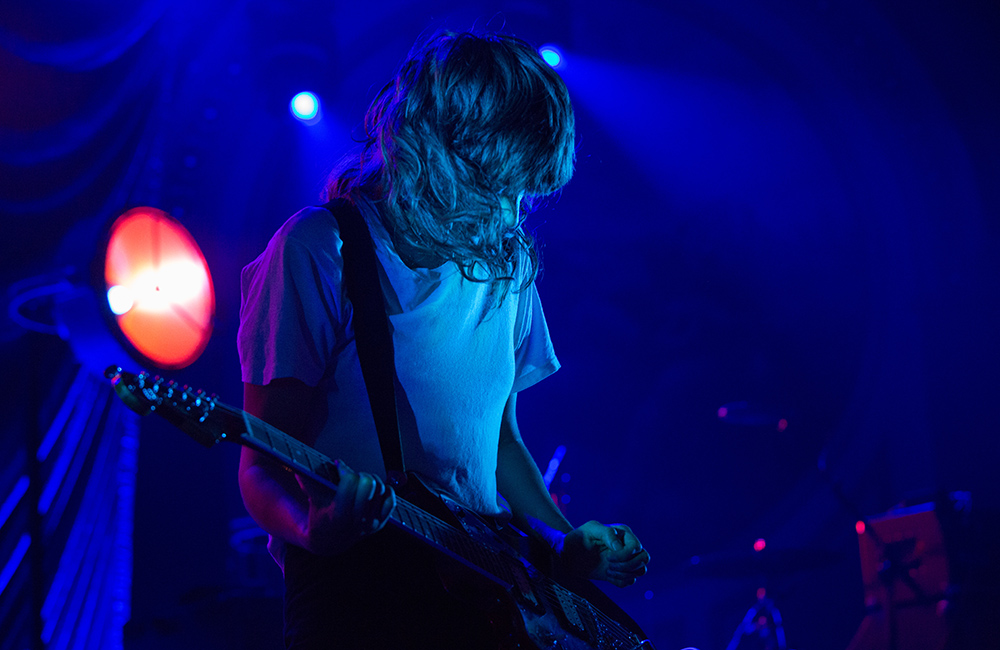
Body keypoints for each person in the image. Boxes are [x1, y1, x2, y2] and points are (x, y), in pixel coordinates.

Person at [237, 30, 649, 649]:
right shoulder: (320, 249)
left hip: (489, 597)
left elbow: (499, 443)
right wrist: (317, 529)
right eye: (499, 181)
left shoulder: (506, 267)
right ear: (440, 150)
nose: (512, 206)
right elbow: (261, 464)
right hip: (362, 602)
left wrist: (565, 543)